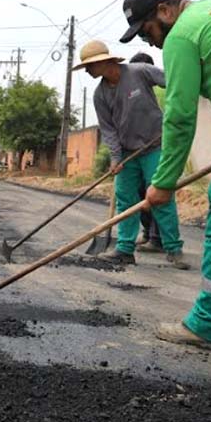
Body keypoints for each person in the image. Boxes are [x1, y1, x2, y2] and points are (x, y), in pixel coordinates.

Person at [120, 0, 211, 350]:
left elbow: (180, 115)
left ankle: (209, 325)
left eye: (148, 31)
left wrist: (164, 180)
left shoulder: (181, 36)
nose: (149, 42)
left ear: (164, 11)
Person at [72, 39, 188, 269]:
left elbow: (173, 81)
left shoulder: (140, 72)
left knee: (161, 195)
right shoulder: (100, 95)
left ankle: (174, 248)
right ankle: (125, 249)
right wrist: (115, 157)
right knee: (126, 199)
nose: (87, 71)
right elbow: (108, 130)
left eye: (90, 66)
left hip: (154, 146)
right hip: (127, 153)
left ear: (104, 62)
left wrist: (176, 114)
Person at [128, 52, 164, 253]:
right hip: (137, 151)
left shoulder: (156, 92)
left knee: (157, 192)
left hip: (157, 147)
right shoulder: (130, 91)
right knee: (141, 193)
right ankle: (148, 232)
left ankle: (158, 238)